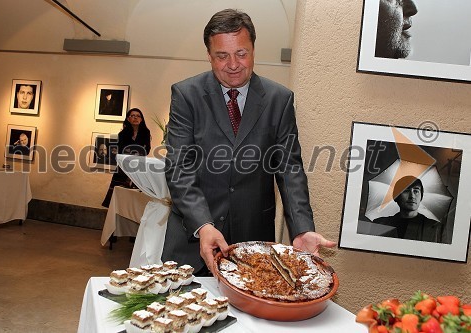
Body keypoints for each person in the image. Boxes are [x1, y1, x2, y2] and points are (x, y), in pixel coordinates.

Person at [161, 9, 336, 275]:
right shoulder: (186, 95)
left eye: (241, 54)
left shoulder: (279, 100)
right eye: (222, 56)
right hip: (193, 239)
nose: (233, 64)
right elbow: (179, 168)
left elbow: (289, 169)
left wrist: (301, 228)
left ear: (253, 50)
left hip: (252, 244)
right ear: (209, 55)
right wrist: (203, 224)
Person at [102, 108, 151, 207]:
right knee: (118, 195)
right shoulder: (123, 134)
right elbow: (120, 151)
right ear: (128, 119)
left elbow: (146, 150)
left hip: (138, 167)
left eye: (138, 116)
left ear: (141, 119)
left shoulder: (145, 132)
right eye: (132, 116)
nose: (135, 118)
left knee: (135, 198)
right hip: (123, 167)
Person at [372, 176, 441, 242]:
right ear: (396, 197)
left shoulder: (434, 227)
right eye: (406, 191)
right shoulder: (380, 224)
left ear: (421, 197)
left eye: (416, 191)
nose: (412, 196)